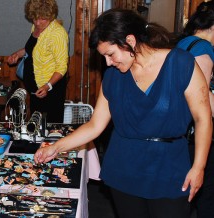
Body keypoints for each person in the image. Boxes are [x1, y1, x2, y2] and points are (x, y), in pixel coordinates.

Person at [34, 9, 213, 218]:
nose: (108, 63)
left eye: (110, 55)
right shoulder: (114, 76)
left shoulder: (181, 63)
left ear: (130, 40)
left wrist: (199, 167)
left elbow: (203, 118)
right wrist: (56, 147)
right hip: (124, 170)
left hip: (169, 170)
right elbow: (95, 125)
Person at [177, 1, 214, 217]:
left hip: (183, 128)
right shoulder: (202, 47)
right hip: (196, 130)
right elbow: (203, 98)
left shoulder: (185, 43)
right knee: (206, 193)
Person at [7, 0, 69, 124]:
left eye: (42, 19)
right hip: (35, 89)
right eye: (35, 19)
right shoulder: (35, 27)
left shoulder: (57, 33)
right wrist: (17, 54)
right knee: (36, 126)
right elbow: (33, 48)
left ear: (51, 16)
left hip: (50, 90)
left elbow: (62, 67)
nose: (38, 22)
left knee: (50, 126)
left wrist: (47, 86)